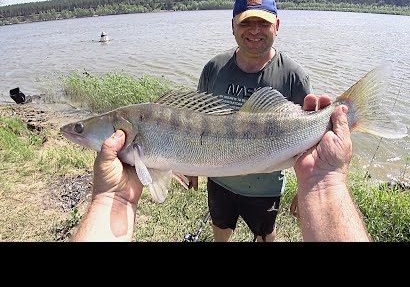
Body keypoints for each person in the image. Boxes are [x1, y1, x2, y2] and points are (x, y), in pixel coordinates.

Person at [69, 97, 370, 242]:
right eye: (80, 128)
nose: (75, 132)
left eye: (80, 129)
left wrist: (322, 177)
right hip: (223, 189)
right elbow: (156, 180)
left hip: (265, 189)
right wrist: (117, 194)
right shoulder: (216, 67)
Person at [186, 0, 312, 242]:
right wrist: (190, 167)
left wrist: (305, 186)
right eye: (246, 23)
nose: (254, 30)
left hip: (265, 187)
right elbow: (195, 123)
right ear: (233, 26)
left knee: (265, 234)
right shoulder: (214, 68)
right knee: (220, 229)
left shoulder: (294, 76)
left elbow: (308, 137)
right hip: (219, 180)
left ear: (276, 25)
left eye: (263, 23)